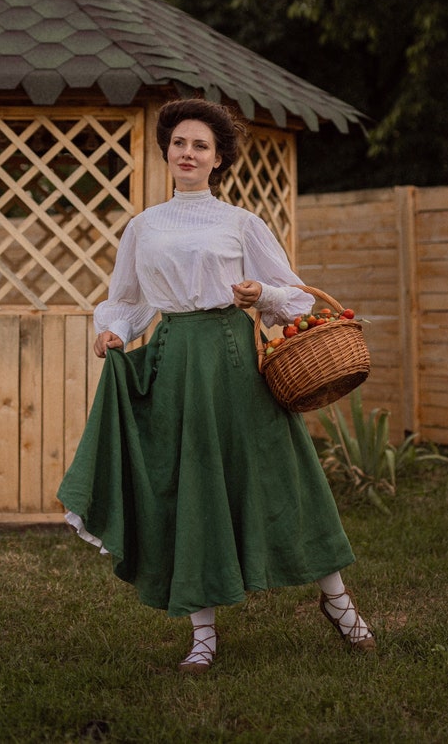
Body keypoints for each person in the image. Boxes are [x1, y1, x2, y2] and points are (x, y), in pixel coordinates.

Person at [57, 98, 376, 673]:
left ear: (219, 158)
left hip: (238, 363)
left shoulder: (240, 223)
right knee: (191, 488)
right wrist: (111, 333)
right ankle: (202, 633)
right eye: (179, 142)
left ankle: (338, 601)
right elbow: (129, 301)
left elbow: (296, 297)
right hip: (175, 364)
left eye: (200, 144)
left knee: (285, 477)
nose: (188, 152)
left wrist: (262, 296)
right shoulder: (143, 227)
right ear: (167, 152)